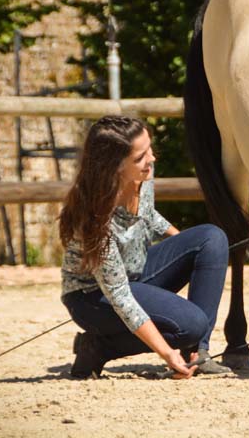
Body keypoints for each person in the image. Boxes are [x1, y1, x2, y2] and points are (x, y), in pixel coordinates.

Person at [59, 115, 231, 379]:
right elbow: (121, 297)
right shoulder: (95, 219)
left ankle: (198, 353)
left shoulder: (143, 177)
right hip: (93, 297)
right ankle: (98, 347)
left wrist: (186, 246)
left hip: (135, 272)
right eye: (140, 156)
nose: (151, 159)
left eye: (149, 149)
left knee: (211, 238)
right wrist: (166, 353)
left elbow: (148, 214)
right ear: (114, 166)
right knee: (193, 325)